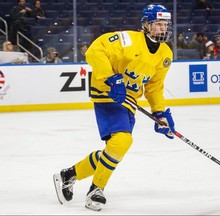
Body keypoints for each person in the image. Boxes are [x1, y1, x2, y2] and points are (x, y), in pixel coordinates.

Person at [53, 4, 175, 212]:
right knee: (122, 141)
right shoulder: (127, 40)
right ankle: (96, 190)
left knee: (115, 148)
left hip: (129, 101)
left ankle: (69, 174)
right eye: (157, 24)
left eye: (165, 25)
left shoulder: (165, 54)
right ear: (146, 25)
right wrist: (111, 78)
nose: (162, 29)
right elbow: (95, 50)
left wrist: (159, 112)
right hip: (107, 93)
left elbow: (154, 87)